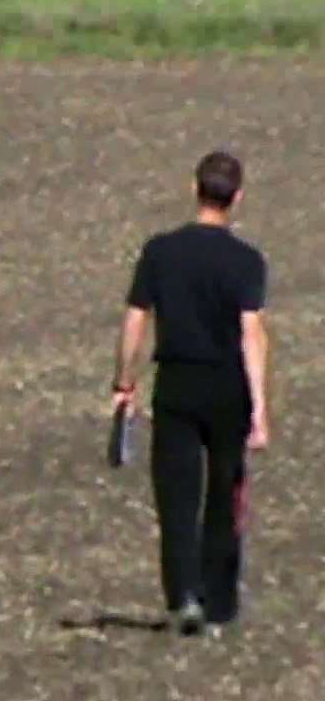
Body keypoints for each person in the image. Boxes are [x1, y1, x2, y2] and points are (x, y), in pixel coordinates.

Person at [111, 149, 269, 639]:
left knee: (177, 495)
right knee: (225, 493)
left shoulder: (160, 252)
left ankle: (184, 596)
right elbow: (252, 333)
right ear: (237, 197)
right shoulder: (246, 261)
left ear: (193, 189)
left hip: (176, 383)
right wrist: (259, 406)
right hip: (227, 388)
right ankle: (220, 602)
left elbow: (136, 319)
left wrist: (124, 383)